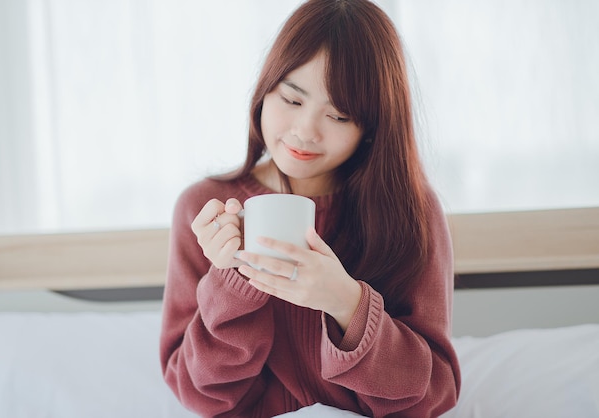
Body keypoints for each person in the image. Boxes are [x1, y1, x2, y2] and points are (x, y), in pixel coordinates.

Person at [160, 0, 461, 416]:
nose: (305, 131)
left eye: (338, 115)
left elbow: (433, 393)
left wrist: (347, 303)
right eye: (292, 99)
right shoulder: (205, 209)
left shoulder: (412, 212)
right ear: (265, 90)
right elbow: (198, 394)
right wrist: (232, 282)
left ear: (371, 128)